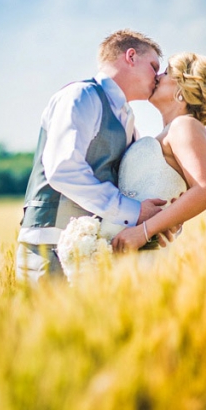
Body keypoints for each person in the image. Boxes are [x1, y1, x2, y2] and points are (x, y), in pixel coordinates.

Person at [15, 29, 176, 283]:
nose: (158, 77)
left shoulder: (129, 121)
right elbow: (63, 169)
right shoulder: (80, 96)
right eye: (154, 66)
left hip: (95, 251)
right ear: (131, 56)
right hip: (49, 245)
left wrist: (154, 226)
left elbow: (130, 185)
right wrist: (135, 213)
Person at [110, 51, 206, 254]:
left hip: (139, 246)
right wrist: (169, 221)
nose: (157, 76)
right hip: (128, 246)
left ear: (182, 88)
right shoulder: (172, 130)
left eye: (167, 72)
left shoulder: (185, 125)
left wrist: (143, 232)